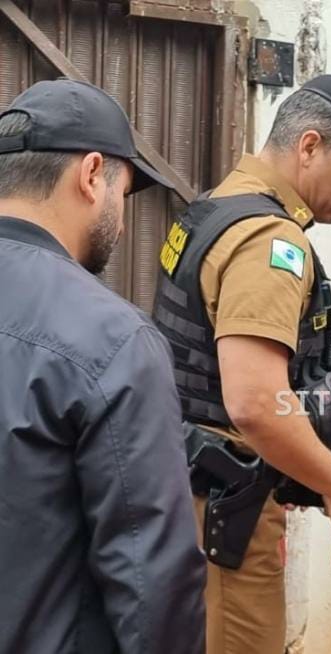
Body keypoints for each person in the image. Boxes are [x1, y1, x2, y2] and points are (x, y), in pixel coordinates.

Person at [152, 74, 331, 654]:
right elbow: (255, 403)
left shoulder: (215, 207)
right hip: (226, 509)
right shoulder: (268, 241)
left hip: (184, 489)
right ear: (309, 146)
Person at [0, 79, 206, 654]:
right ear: (92, 175)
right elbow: (154, 581)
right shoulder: (113, 340)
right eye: (125, 192)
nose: (121, 219)